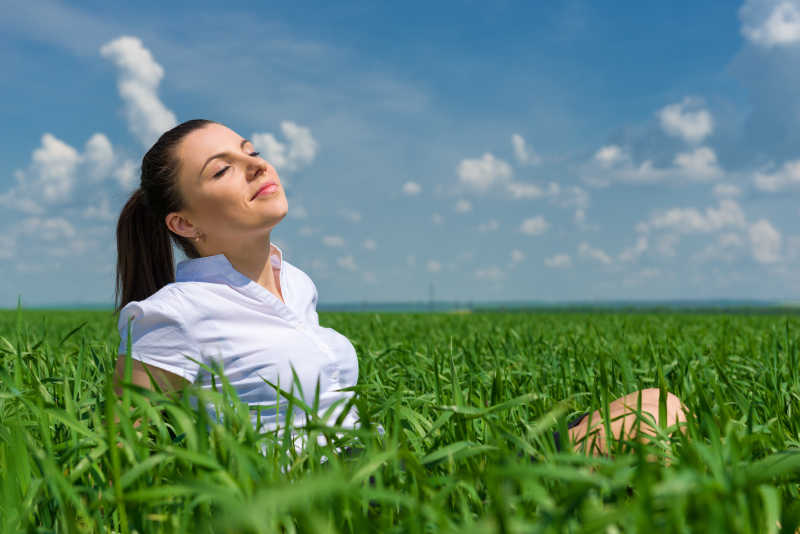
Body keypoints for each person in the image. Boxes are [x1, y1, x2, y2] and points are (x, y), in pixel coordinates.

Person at [113, 119, 687, 456]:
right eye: (222, 169)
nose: (256, 166)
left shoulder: (299, 286)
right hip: (329, 500)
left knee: (656, 407)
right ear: (183, 224)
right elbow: (122, 462)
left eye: (252, 153)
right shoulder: (173, 313)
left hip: (393, 461)